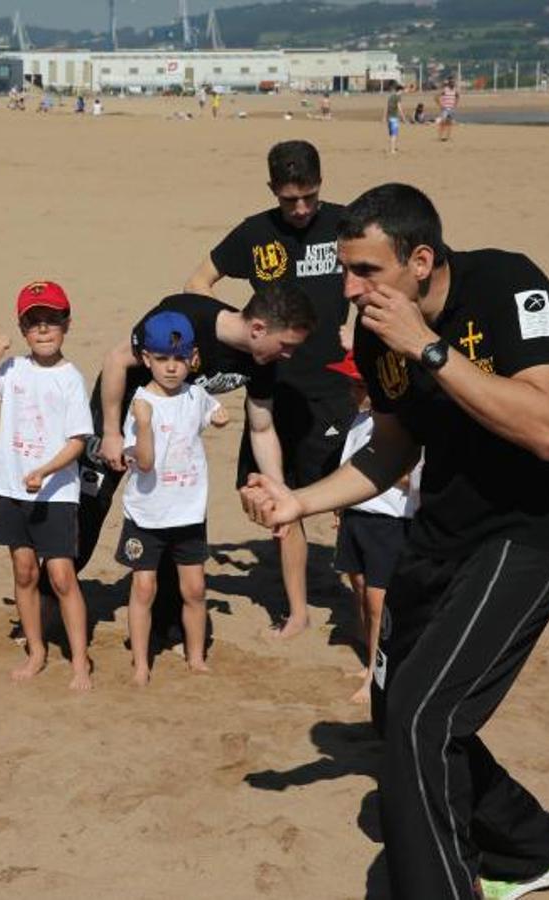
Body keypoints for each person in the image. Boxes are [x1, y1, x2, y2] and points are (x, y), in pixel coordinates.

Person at [242, 183, 549, 899]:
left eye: (365, 271)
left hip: (525, 536)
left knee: (422, 718)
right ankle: (532, 849)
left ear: (421, 259)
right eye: (344, 269)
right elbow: (390, 449)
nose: (348, 287)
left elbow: (545, 427)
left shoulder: (506, 285)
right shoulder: (374, 332)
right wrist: (297, 502)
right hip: (438, 534)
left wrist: (426, 347)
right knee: (395, 702)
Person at [52, 282, 314, 648]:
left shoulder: (262, 360)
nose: (288, 355)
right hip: (124, 410)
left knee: (174, 514)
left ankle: (164, 622)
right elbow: (116, 360)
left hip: (172, 434)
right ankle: (51, 602)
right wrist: (111, 432)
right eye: (285, 345)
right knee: (91, 505)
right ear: (258, 329)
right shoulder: (186, 316)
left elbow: (262, 426)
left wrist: (279, 490)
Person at [183, 140, 353, 639]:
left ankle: (367, 601)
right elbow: (197, 283)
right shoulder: (256, 233)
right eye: (289, 200)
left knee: (356, 504)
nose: (300, 210)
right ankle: (298, 610)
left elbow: (386, 282)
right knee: (277, 499)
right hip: (273, 390)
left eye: (309, 197)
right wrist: (246, 326)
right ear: (272, 191)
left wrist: (360, 326)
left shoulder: (345, 224)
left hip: (338, 390)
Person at [0, 281, 94, 691]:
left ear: (66, 325)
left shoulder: (71, 378)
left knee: (60, 576)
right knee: (23, 571)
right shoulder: (13, 369)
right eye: (34, 322)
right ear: (22, 328)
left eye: (51, 321)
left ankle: (79, 661)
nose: (43, 330)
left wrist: (45, 471)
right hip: (10, 487)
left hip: (55, 492)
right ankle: (36, 650)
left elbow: (77, 442)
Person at [117, 311, 229, 685]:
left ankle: (196, 657)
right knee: (144, 587)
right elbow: (144, 462)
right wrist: (145, 424)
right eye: (162, 359)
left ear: (192, 358)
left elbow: (214, 411)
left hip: (188, 511)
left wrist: (219, 415)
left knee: (195, 588)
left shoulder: (196, 395)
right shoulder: (140, 404)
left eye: (179, 359)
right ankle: (140, 664)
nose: (170, 368)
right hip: (146, 514)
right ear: (146, 359)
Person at [325, 351, 420, 704]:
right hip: (356, 517)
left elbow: (413, 477)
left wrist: (376, 475)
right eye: (351, 382)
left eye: (360, 384)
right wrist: (341, 503)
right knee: (361, 592)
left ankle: (379, 675)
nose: (353, 390)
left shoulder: (404, 424)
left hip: (389, 521)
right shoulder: (361, 418)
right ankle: (370, 663)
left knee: (380, 601)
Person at [386, 84, 408, 155]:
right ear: (400, 90)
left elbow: (387, 107)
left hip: (389, 117)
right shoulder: (398, 97)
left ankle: (393, 147)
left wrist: (384, 117)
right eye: (402, 91)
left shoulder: (390, 96)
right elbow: (399, 108)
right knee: (394, 134)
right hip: (394, 118)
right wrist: (403, 118)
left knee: (391, 134)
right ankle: (392, 150)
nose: (403, 92)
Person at [437, 77, 460, 141]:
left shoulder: (455, 90)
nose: (452, 83)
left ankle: (448, 137)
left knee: (449, 123)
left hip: (451, 108)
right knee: (443, 122)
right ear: (449, 83)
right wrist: (440, 105)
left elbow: (458, 96)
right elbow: (436, 97)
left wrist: (455, 104)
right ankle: (440, 137)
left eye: (453, 82)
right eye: (451, 82)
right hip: (445, 108)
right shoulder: (445, 89)